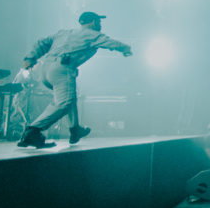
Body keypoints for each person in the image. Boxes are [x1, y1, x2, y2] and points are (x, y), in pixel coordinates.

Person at [17, 12, 132, 149]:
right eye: (99, 22)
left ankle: (75, 129)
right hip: (62, 69)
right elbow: (110, 43)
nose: (100, 25)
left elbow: (42, 42)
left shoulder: (63, 33)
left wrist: (30, 58)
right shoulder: (93, 34)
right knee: (64, 102)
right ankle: (33, 130)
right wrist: (126, 48)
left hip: (45, 69)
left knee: (70, 97)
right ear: (94, 22)